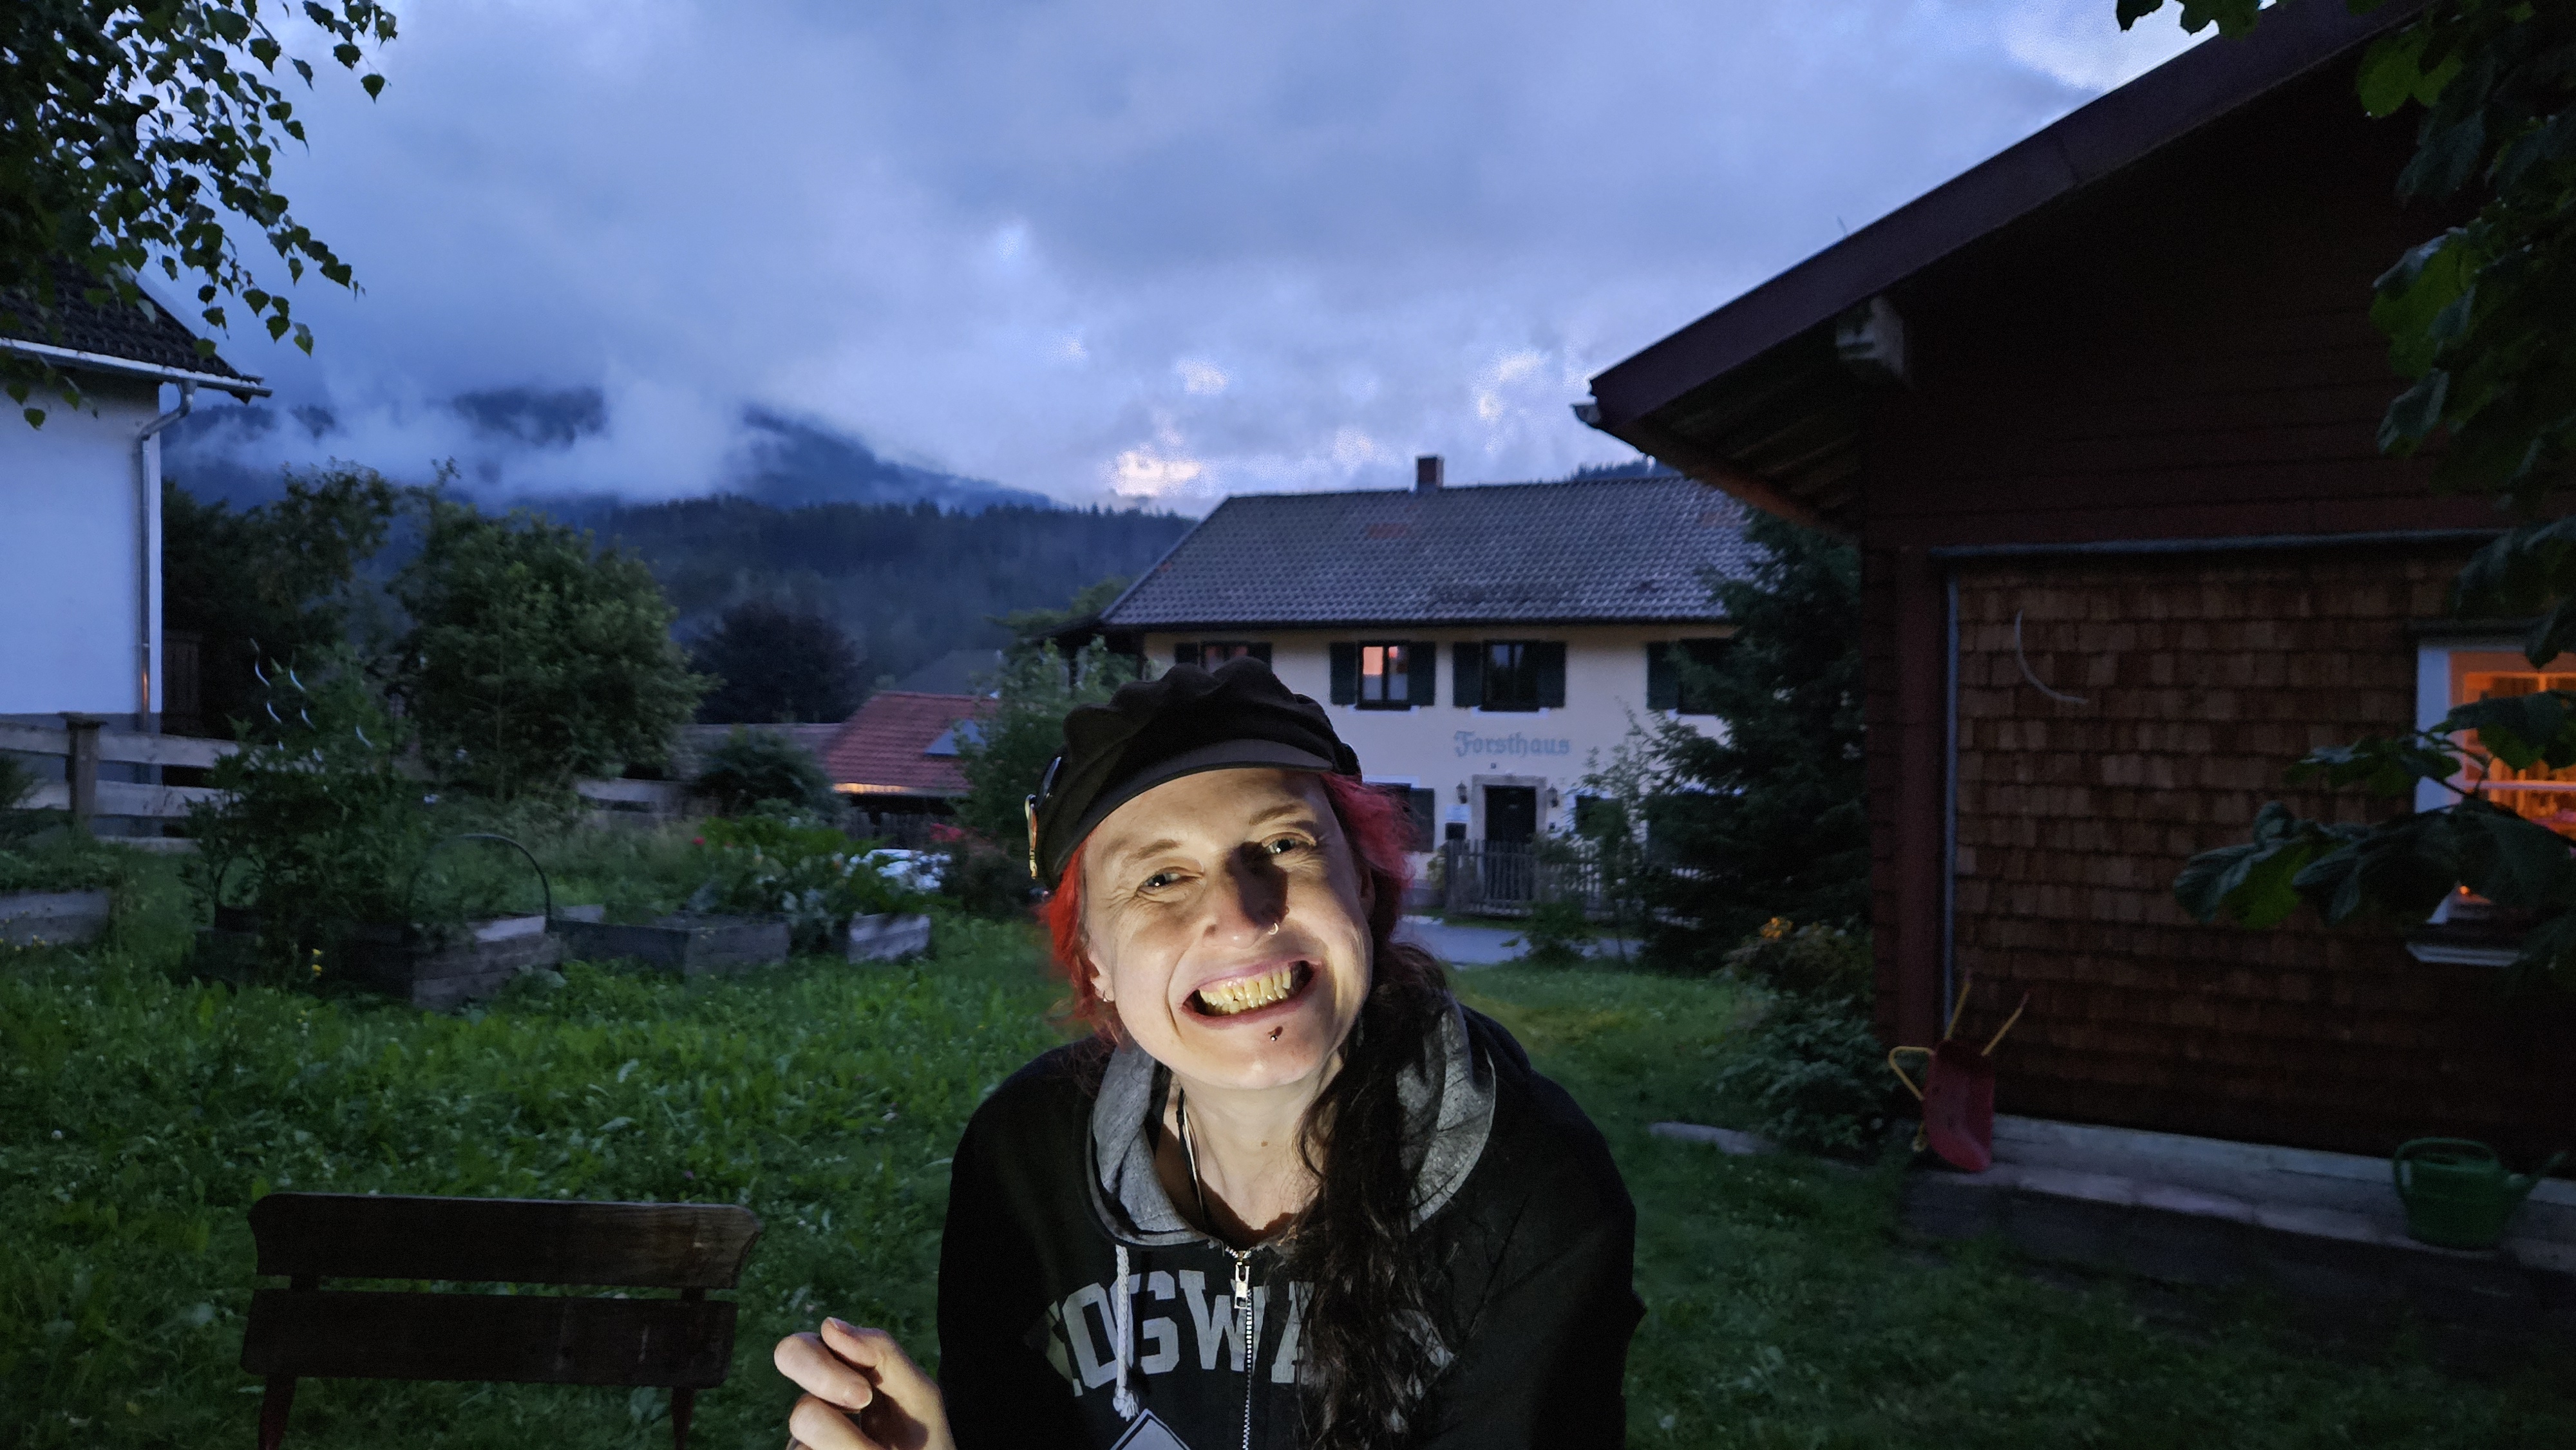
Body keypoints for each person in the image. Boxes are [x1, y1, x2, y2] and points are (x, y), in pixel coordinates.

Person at [777, 659, 1640, 1449]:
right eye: (1160, 879)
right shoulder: (1022, 1161)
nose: (1240, 916)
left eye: (1283, 845)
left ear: (1362, 881)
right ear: (1094, 962)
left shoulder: (1532, 1186)